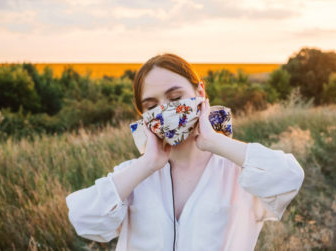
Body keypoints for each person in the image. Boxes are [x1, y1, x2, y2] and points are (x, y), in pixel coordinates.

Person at [65, 53, 305, 251]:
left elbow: (289, 178)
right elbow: (83, 218)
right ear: (144, 116)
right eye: (151, 106)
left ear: (200, 93)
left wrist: (215, 142)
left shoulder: (237, 171)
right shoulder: (134, 176)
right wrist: (147, 164)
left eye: (175, 97)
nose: (165, 110)